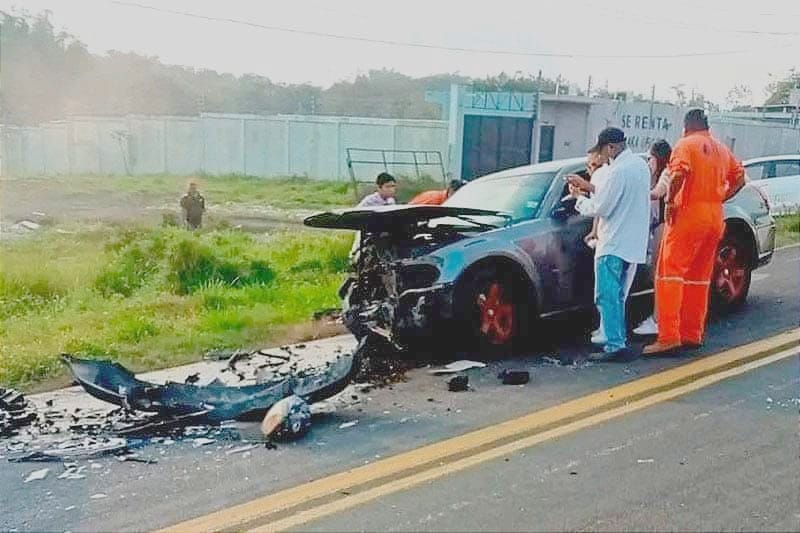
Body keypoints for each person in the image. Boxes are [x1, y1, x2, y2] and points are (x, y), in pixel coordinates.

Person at [643, 110, 745, 355]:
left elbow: (678, 173)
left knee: (669, 274)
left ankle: (669, 336)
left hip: (688, 216)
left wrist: (670, 202)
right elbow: (740, 178)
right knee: (698, 277)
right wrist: (720, 198)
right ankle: (692, 333)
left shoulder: (686, 144)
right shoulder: (721, 149)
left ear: (686, 126)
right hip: (714, 218)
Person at [568, 127, 651, 361]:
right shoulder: (639, 167)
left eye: (603, 151)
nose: (601, 158)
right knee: (617, 295)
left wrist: (578, 198)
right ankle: (616, 338)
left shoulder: (617, 171)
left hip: (613, 241)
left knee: (606, 295)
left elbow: (601, 208)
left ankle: (615, 344)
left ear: (612, 147)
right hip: (632, 241)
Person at [632, 139, 673, 336]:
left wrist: (637, 193)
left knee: (660, 274)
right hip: (658, 226)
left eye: (650, 158)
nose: (648, 162)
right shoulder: (653, 175)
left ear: (658, 158)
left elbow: (658, 194)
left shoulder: (667, 173)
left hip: (663, 226)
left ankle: (658, 318)